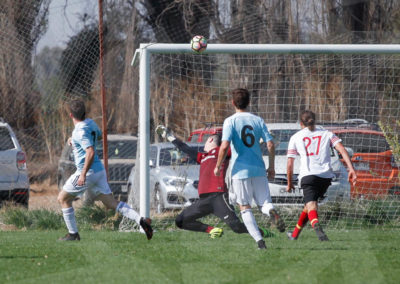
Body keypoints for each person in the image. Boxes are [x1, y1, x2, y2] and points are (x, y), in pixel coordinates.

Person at [57, 99, 153, 241]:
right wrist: (74, 141)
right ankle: (141, 220)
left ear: (71, 115)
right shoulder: (90, 123)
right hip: (99, 172)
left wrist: (82, 174)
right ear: (84, 112)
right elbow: (99, 136)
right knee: (111, 203)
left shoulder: (79, 131)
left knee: (63, 198)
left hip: (87, 173)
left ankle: (73, 234)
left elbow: (90, 152)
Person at [156, 125, 273, 239]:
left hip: (219, 197)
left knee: (236, 227)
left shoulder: (221, 151)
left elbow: (243, 148)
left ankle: (261, 232)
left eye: (206, 141)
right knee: (180, 221)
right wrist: (169, 136)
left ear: (211, 139)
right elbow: (184, 148)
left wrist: (261, 139)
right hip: (204, 201)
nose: (204, 144)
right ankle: (211, 230)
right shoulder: (202, 156)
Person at [214, 88, 285, 250]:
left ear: (233, 103)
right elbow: (270, 144)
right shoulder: (258, 120)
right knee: (264, 203)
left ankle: (260, 241)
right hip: (259, 169)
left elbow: (224, 146)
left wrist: (218, 166)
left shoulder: (230, 121)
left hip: (240, 171)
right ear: (249, 102)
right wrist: (271, 167)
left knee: (244, 206)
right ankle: (271, 212)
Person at [286, 110, 357, 241]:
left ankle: (317, 227)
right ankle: (294, 234)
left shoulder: (296, 137)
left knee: (311, 206)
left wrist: (289, 183)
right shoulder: (327, 134)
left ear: (301, 123)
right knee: (309, 206)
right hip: (325, 177)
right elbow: (342, 149)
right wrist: (351, 168)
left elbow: (290, 163)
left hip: (308, 176)